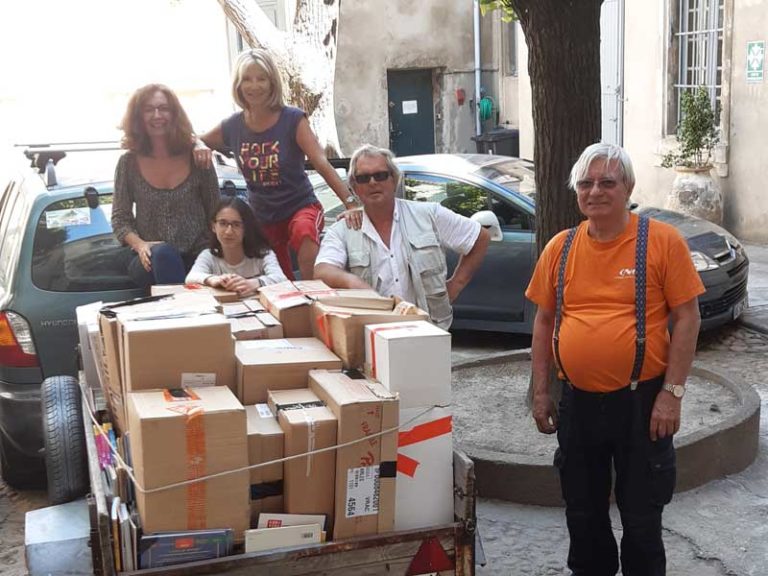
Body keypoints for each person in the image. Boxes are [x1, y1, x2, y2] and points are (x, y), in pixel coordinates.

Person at [525, 143, 704, 576]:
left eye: (607, 182)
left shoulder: (661, 242)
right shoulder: (560, 248)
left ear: (628, 187)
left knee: (642, 517)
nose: (595, 191)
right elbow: (544, 321)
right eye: (586, 183)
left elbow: (687, 318)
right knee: (583, 515)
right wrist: (542, 392)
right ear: (576, 192)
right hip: (579, 404)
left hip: (641, 405)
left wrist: (672, 394)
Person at [195, 48, 359, 281]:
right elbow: (197, 139)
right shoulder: (233, 125)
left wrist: (350, 203)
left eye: (261, 78)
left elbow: (320, 162)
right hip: (262, 215)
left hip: (300, 206)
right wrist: (197, 146)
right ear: (238, 85)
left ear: (272, 82)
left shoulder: (292, 119)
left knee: (304, 231)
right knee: (278, 279)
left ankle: (315, 297)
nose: (254, 86)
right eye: (247, 79)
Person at [313, 144, 490, 329]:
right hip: (374, 334)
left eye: (380, 175)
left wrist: (455, 285)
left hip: (430, 330)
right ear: (355, 187)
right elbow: (322, 270)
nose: (373, 182)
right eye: (364, 178)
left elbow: (480, 237)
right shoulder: (344, 229)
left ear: (394, 180)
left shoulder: (429, 215)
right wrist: (352, 282)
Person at [112, 84, 219, 289]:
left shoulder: (198, 158)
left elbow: (215, 212)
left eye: (164, 108)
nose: (157, 115)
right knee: (164, 254)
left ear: (174, 113)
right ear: (138, 117)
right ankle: (183, 313)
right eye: (149, 109)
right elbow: (120, 219)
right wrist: (140, 245)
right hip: (150, 260)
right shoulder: (128, 163)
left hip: (198, 258)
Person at [186, 196, 287, 296]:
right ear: (213, 226)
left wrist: (254, 283)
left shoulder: (263, 254)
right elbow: (190, 278)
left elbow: (282, 279)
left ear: (246, 228)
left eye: (236, 225)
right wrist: (213, 279)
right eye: (223, 223)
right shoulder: (208, 256)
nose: (229, 231)